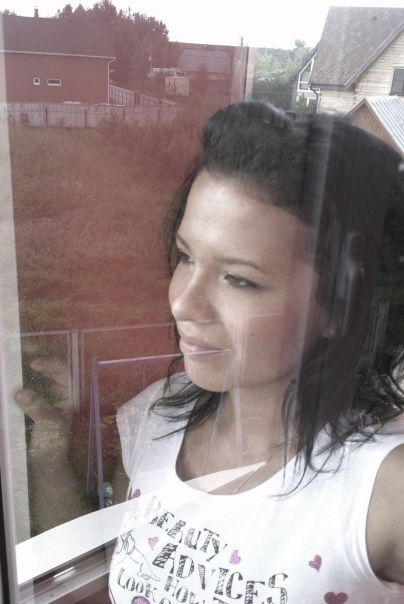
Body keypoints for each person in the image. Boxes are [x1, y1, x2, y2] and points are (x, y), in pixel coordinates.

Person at [108, 102, 404, 604]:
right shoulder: (152, 419)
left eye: (239, 279)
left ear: (341, 308)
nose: (182, 303)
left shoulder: (385, 492)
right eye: (186, 256)